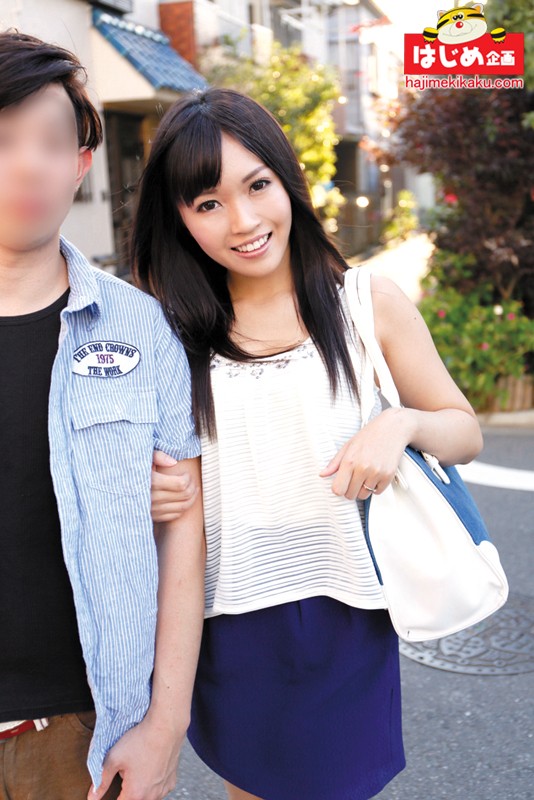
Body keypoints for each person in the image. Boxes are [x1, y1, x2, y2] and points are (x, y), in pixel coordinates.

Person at [140, 88, 483, 800]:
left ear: (287, 179)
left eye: (257, 186)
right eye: (208, 203)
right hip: (230, 618)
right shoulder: (173, 336)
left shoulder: (366, 304)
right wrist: (147, 487)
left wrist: (401, 424)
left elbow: (464, 429)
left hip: (345, 611)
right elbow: (156, 478)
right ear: (179, 218)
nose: (243, 221)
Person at [0, 30, 205, 800]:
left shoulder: (140, 327)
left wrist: (166, 726)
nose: (29, 164)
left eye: (52, 143)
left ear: (81, 165)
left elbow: (184, 534)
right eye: (4, 138)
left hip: (85, 730)